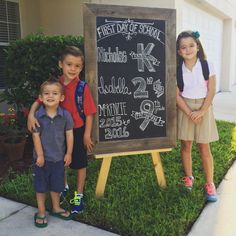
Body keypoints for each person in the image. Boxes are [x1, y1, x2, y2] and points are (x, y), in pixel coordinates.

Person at [28, 46, 97, 214]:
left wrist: (87, 135)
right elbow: (39, 100)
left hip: (78, 131)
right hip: (58, 132)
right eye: (69, 64)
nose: (73, 69)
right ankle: (63, 186)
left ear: (81, 67)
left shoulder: (82, 88)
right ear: (61, 64)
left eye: (77, 66)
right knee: (60, 161)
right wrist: (31, 114)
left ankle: (78, 195)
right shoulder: (55, 85)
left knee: (79, 164)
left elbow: (89, 113)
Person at [176, 30, 219, 202]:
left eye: (191, 45)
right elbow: (176, 94)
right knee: (186, 146)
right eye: (183, 47)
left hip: (204, 107)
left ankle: (209, 183)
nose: (188, 49)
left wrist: (201, 111)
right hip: (185, 107)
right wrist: (189, 113)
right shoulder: (178, 69)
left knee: (204, 147)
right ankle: (189, 178)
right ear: (179, 51)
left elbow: (211, 90)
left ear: (198, 46)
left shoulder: (207, 65)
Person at [32, 78, 74, 228]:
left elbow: (69, 135)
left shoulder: (65, 115)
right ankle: (41, 211)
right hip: (41, 160)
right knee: (41, 186)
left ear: (61, 98)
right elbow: (35, 136)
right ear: (41, 97)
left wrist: (69, 153)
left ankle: (56, 207)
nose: (50, 96)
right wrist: (40, 155)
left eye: (55, 93)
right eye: (47, 93)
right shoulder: (38, 116)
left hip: (59, 158)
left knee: (57, 185)